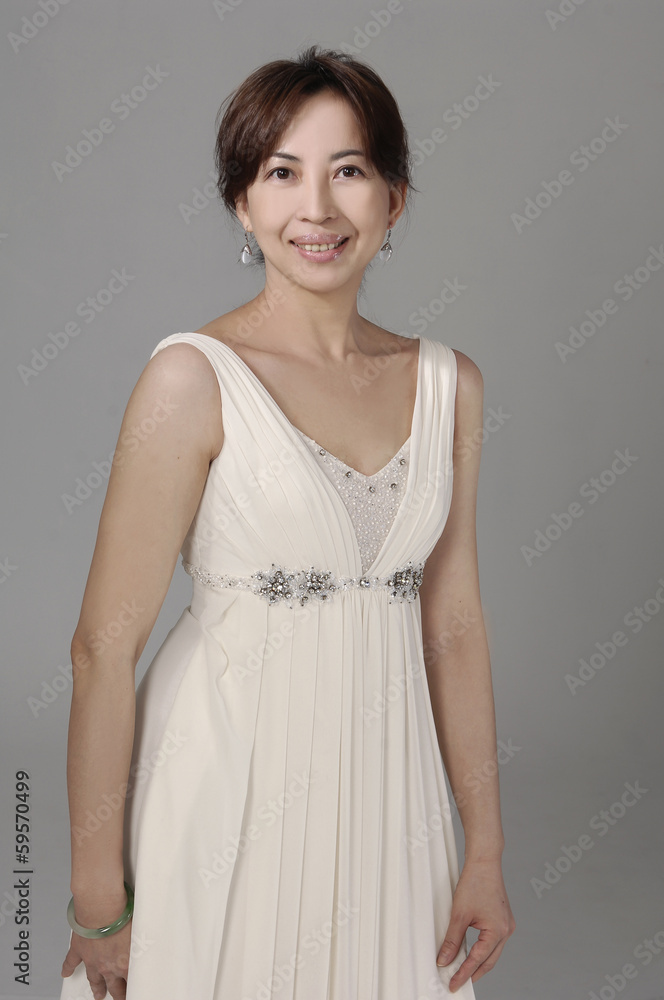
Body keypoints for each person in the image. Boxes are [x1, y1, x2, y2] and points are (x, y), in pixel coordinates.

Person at [59, 44, 515, 1000]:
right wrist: (98, 897)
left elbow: (456, 627)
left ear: (394, 198)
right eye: (281, 173)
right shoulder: (190, 379)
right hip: (222, 792)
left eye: (348, 171)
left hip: (390, 803)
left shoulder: (452, 388)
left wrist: (484, 852)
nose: (317, 208)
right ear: (241, 202)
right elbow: (103, 646)